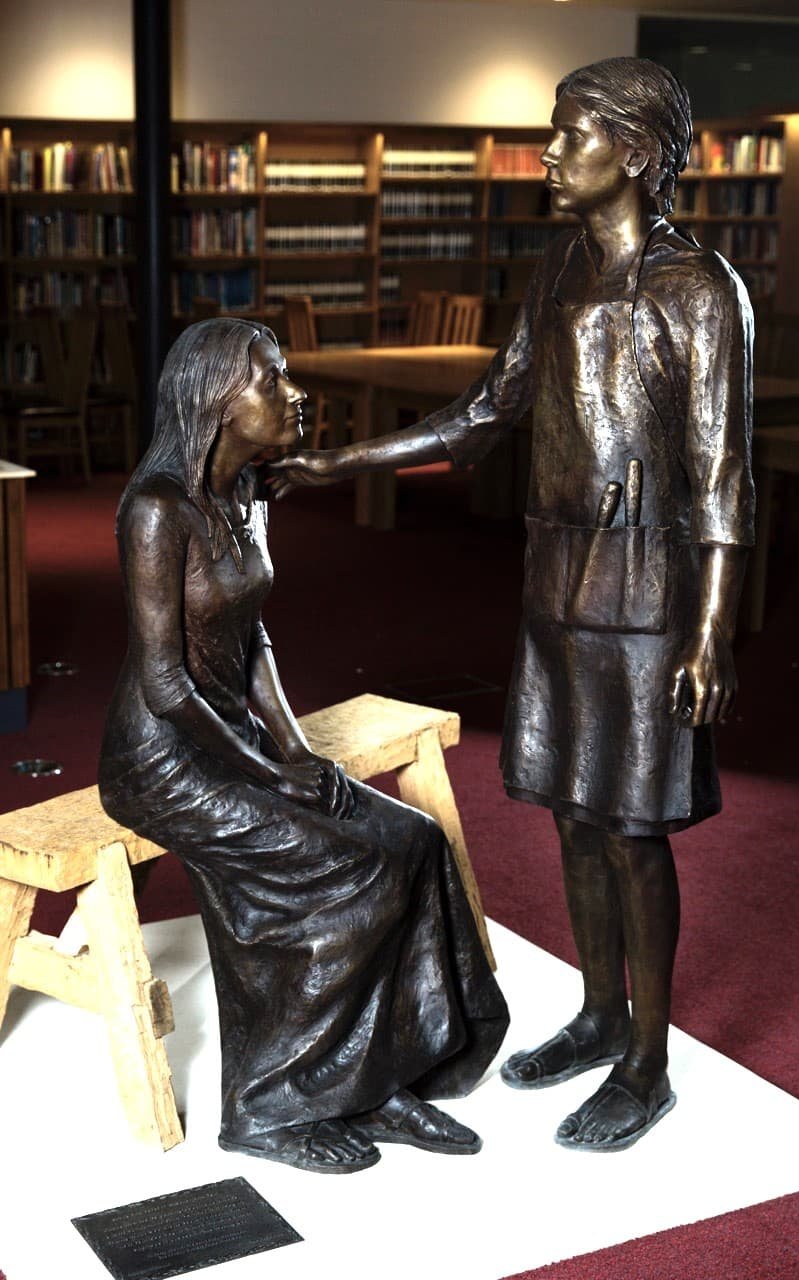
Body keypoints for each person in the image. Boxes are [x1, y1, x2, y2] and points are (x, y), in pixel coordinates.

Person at [270, 57, 755, 1153]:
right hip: (556, 577)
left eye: (568, 134)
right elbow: (484, 410)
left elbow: (722, 473)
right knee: (574, 815)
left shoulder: (696, 290)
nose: (545, 153)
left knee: (631, 829)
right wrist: (342, 456)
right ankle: (593, 1012)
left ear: (631, 151)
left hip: (648, 589)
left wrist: (711, 627)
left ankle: (646, 1059)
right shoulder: (555, 270)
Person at [98, 317, 509, 1175]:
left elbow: (254, 644)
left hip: (231, 740)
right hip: (161, 763)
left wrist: (294, 750)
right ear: (218, 398)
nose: (296, 394)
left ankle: (382, 1076)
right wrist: (268, 770)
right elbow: (168, 686)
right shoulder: (155, 511)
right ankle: (268, 1105)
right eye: (272, 379)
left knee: (413, 842)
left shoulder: (244, 492)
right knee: (348, 876)